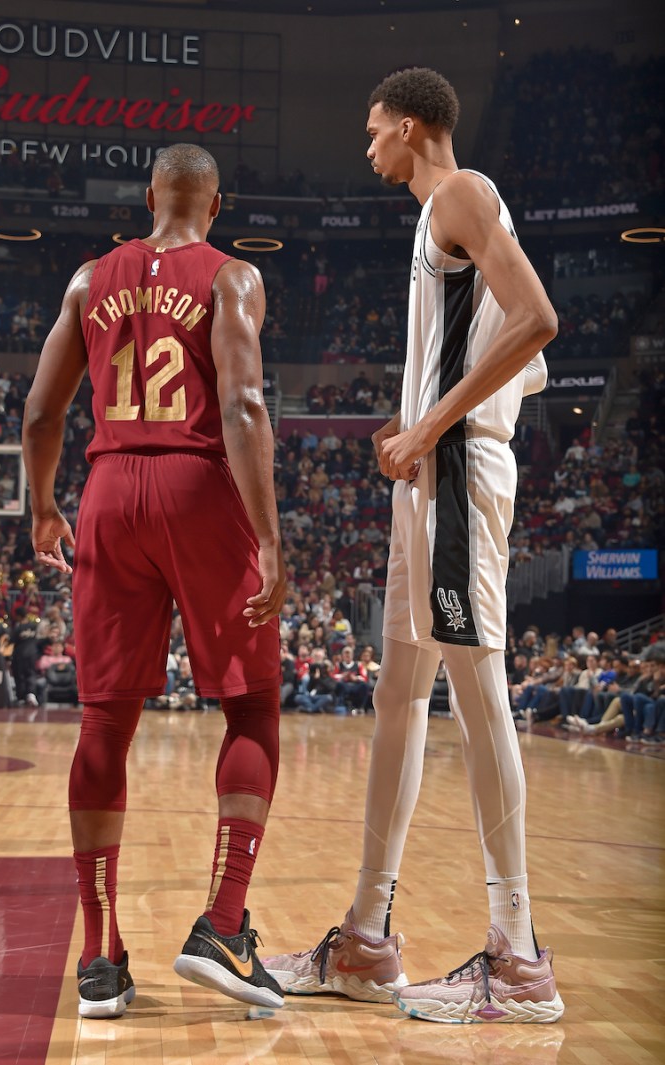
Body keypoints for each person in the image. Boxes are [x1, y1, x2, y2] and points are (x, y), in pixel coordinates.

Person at [264, 67, 563, 1024]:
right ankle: (366, 939)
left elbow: (539, 322)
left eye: (373, 132)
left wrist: (432, 426)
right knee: (398, 695)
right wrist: (445, 419)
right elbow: (535, 364)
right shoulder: (455, 214)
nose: (366, 148)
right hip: (434, 481)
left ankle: (518, 962)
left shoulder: (464, 192)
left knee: (479, 698)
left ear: (410, 125)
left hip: (454, 477)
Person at [22, 143, 286, 1019]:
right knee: (248, 706)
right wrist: (272, 537)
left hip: (107, 490)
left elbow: (39, 411)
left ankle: (99, 955)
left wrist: (42, 509)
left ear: (148, 198)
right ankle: (221, 921)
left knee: (106, 719)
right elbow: (244, 406)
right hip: (197, 486)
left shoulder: (88, 279)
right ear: (218, 203)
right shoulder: (230, 279)